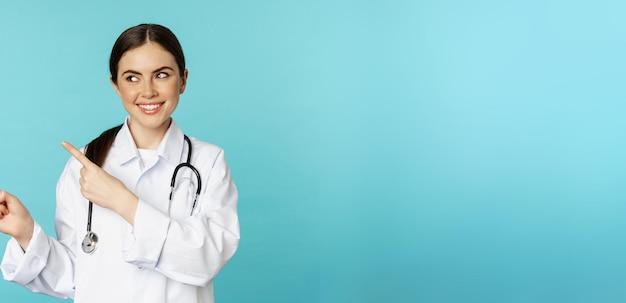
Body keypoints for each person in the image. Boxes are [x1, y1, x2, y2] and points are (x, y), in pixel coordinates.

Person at [0, 23, 240, 303]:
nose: (148, 91)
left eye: (161, 75)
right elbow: (76, 277)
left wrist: (124, 202)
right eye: (132, 78)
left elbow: (206, 260)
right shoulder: (85, 165)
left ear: (183, 80)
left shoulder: (208, 162)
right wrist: (26, 232)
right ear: (115, 85)